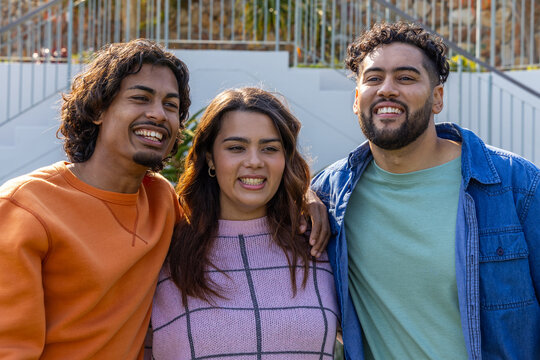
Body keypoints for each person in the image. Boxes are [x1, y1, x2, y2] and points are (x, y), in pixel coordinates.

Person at [0, 39, 329, 358]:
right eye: (141, 98)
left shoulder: (162, 201)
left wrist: (304, 195)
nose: (158, 114)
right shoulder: (25, 208)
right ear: (98, 109)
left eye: (170, 105)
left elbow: (246, 188)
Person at [311, 22, 540, 360]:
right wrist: (303, 192)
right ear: (357, 99)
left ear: (437, 98)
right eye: (374, 78)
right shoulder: (330, 195)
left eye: (406, 78)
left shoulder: (517, 186)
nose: (387, 89)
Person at [148, 87, 339, 359]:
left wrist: (306, 196)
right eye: (236, 148)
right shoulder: (164, 245)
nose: (254, 162)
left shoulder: (318, 241)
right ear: (210, 158)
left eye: (269, 148)